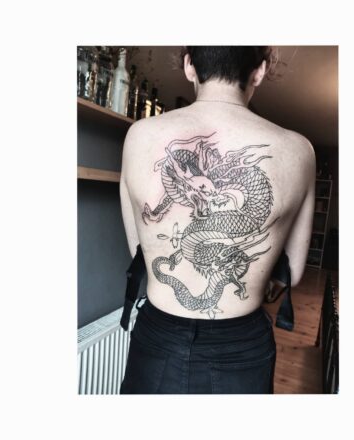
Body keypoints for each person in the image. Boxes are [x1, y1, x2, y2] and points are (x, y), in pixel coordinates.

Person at [119, 46, 316, 394]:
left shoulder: (139, 135)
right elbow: (293, 273)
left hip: (157, 337)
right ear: (259, 71)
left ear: (189, 66)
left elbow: (139, 249)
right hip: (240, 345)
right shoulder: (299, 150)